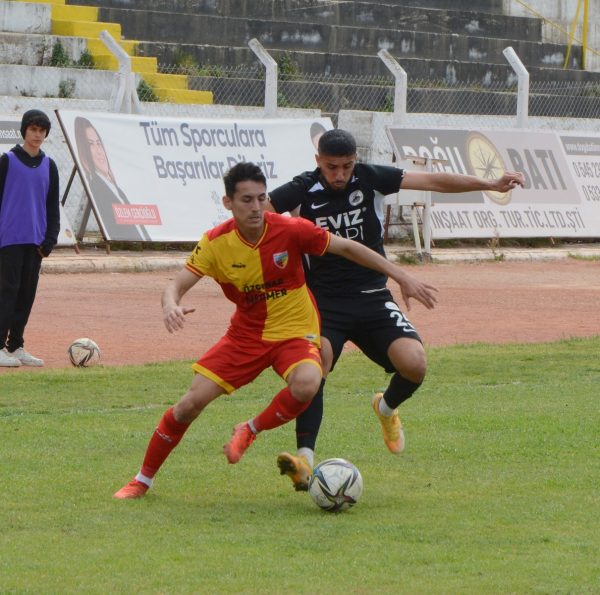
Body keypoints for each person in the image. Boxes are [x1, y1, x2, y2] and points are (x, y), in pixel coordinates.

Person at [113, 161, 437, 499]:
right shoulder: (215, 243)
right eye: (246, 200)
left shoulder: (289, 229)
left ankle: (250, 429)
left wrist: (401, 276)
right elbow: (176, 285)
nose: (256, 207)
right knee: (188, 405)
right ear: (228, 203)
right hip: (245, 336)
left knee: (308, 382)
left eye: (261, 198)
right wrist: (170, 305)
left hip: (295, 331)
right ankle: (142, 480)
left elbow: (346, 247)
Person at [268, 128, 525, 491]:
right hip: (323, 302)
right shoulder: (302, 188)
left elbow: (432, 181)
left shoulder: (370, 177)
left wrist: (489, 183)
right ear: (318, 162)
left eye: (346, 166)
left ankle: (386, 408)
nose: (340, 174)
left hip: (373, 295)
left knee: (415, 363)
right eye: (331, 167)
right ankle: (304, 462)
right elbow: (258, 216)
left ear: (355, 160)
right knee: (316, 366)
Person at [0, 109, 60, 368]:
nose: (37, 134)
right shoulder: (7, 161)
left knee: (26, 295)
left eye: (41, 130)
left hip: (35, 242)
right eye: (33, 129)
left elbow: (52, 206)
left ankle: (16, 345)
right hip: (9, 239)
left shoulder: (49, 166)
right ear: (24, 130)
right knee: (7, 292)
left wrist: (50, 240)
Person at [74, 116, 150, 241]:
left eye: (99, 143)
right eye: (91, 144)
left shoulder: (114, 187)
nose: (99, 151)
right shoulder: (98, 188)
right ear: (85, 150)